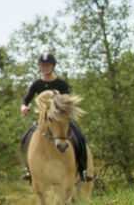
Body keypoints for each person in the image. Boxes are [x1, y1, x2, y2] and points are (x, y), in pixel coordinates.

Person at [18, 52, 91, 182]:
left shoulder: (61, 84)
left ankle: (83, 169)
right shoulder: (36, 84)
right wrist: (24, 107)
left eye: (48, 65)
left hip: (60, 120)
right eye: (43, 65)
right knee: (24, 138)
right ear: (40, 67)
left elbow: (66, 101)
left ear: (53, 67)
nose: (45, 68)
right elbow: (25, 100)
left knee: (80, 136)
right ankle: (29, 170)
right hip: (45, 120)